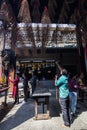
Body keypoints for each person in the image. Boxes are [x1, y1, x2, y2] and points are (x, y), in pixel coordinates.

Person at [55, 62, 71, 128]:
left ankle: (66, 123)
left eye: (61, 71)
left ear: (62, 73)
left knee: (64, 110)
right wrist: (58, 64)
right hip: (67, 95)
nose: (60, 71)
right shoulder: (66, 77)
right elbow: (62, 70)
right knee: (67, 109)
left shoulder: (62, 78)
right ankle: (69, 120)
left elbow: (56, 84)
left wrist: (56, 78)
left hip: (63, 96)